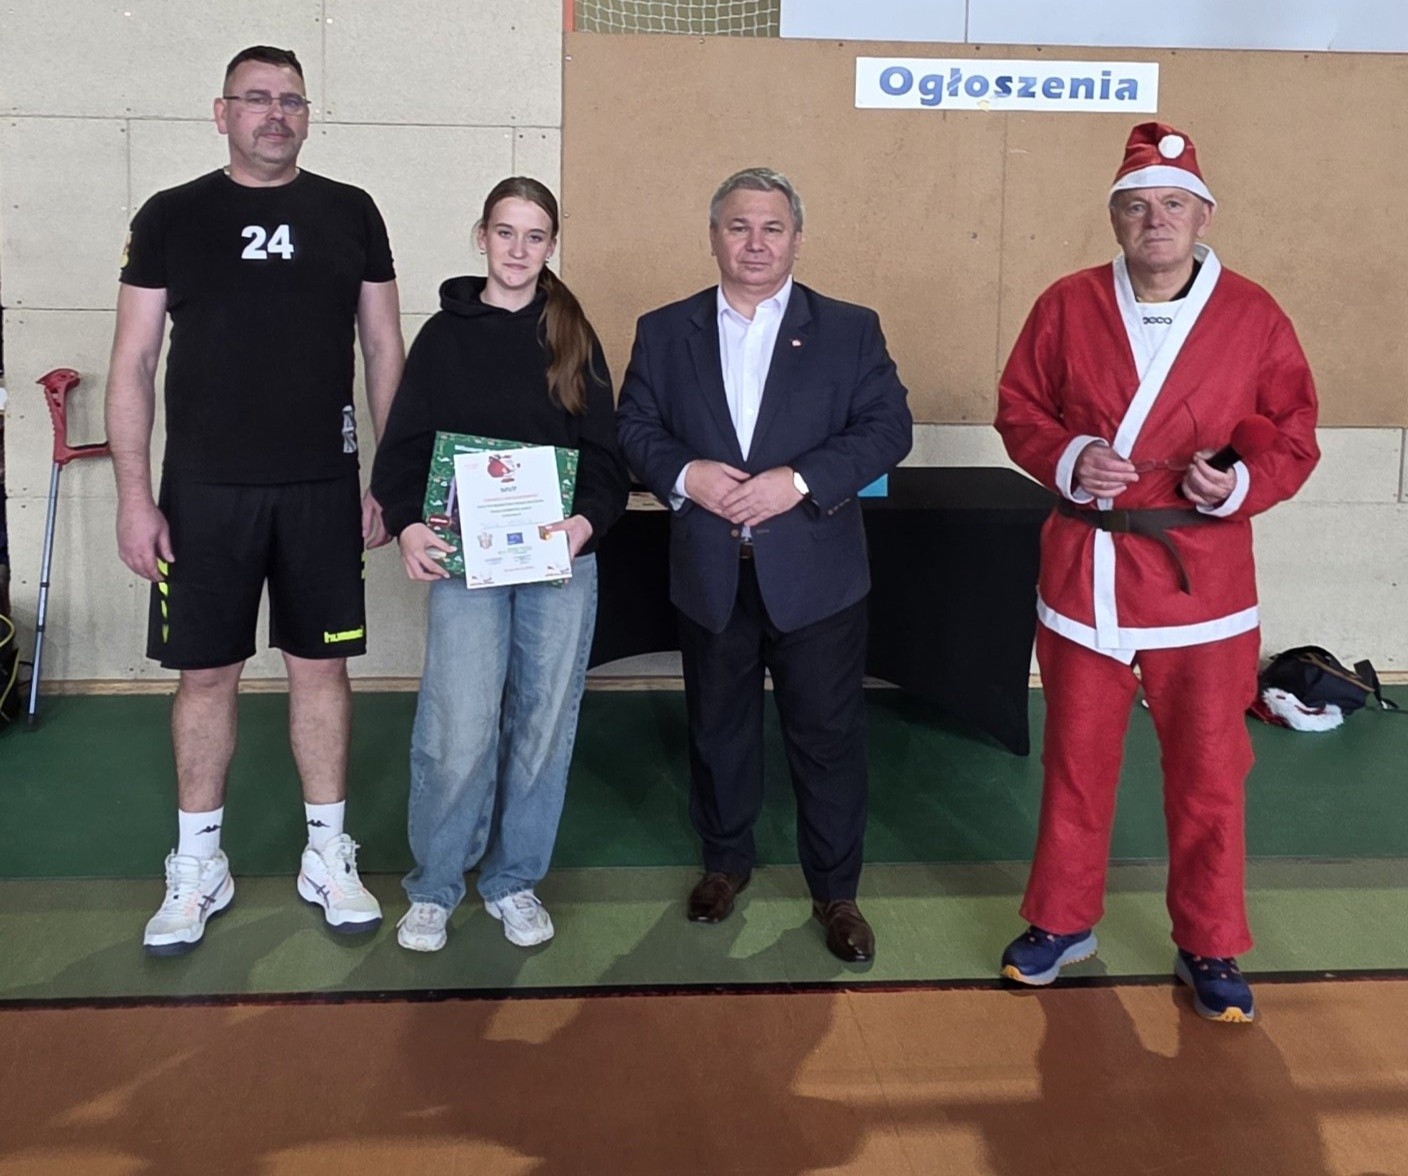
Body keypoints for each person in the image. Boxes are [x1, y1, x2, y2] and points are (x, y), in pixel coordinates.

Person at [994, 123, 1320, 1021]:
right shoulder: (1067, 303)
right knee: (1075, 759)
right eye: (1136, 206)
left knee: (1211, 768)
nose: (1155, 220)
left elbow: (1293, 433)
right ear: (1115, 218)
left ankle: (1209, 938)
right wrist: (1070, 458)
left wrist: (1236, 485)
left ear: (1204, 215)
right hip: (1088, 567)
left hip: (1200, 578)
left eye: (1173, 204)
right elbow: (1020, 409)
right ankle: (1062, 919)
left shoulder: (1253, 314)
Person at [106, 46, 406, 955]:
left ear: (308, 116)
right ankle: (199, 863)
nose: (276, 114)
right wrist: (133, 497)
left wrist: (390, 479)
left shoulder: (351, 211)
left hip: (321, 488)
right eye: (257, 99)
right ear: (222, 112)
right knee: (206, 677)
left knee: (322, 671)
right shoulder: (171, 216)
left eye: (291, 101)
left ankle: (327, 855)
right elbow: (133, 361)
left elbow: (384, 351)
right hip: (202, 495)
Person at [616, 167, 912, 963]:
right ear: (713, 236)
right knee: (718, 728)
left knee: (828, 736)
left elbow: (889, 428)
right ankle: (724, 864)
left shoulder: (849, 329)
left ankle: (837, 891)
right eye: (739, 226)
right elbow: (634, 426)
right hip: (712, 573)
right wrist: (687, 475)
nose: (755, 243)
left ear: (797, 239)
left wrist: (799, 481)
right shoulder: (663, 329)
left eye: (772, 227)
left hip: (817, 577)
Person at [370, 177, 628, 953]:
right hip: (464, 563)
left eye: (535, 236)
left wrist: (584, 522)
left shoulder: (573, 336)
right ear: (481, 236)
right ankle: (435, 885)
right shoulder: (442, 338)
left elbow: (606, 457)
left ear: (551, 246)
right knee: (459, 724)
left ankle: (514, 880)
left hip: (559, 560)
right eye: (506, 232)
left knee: (542, 724)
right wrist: (409, 524)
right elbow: (404, 447)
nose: (519, 249)